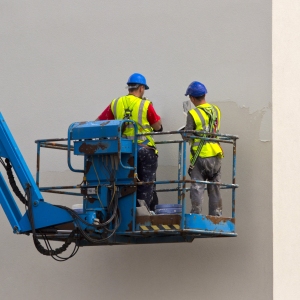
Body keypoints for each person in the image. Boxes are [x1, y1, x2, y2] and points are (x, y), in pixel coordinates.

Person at [96, 73, 162, 210]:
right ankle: (142, 214)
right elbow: (157, 126)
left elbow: (99, 123)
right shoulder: (145, 104)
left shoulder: (116, 103)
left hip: (123, 151)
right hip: (144, 150)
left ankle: (125, 213)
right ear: (142, 88)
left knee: (124, 184)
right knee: (146, 184)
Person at [184, 81, 223, 216]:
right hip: (216, 154)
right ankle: (216, 215)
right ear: (204, 94)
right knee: (215, 187)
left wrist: (184, 133)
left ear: (192, 98)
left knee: (197, 187)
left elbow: (187, 135)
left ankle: (196, 214)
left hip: (200, 156)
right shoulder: (216, 110)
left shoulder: (193, 113)